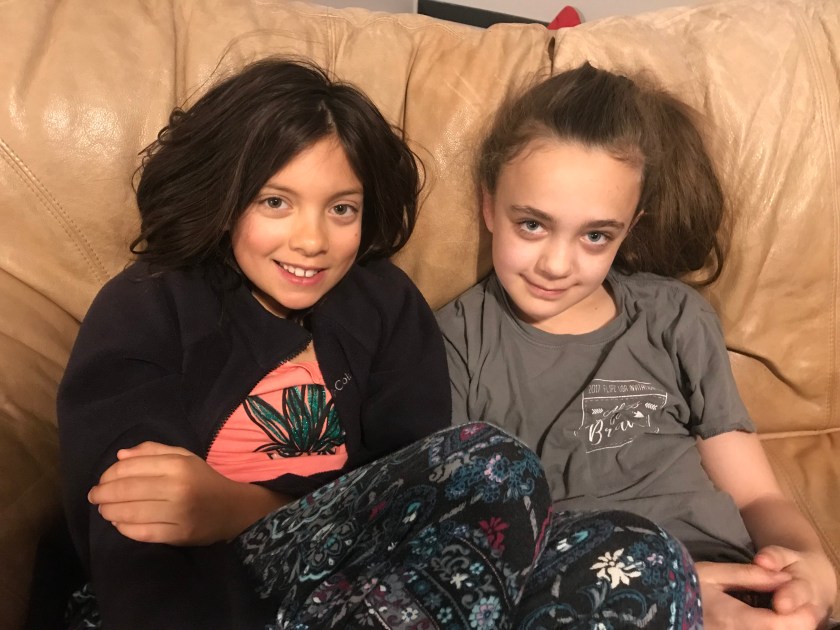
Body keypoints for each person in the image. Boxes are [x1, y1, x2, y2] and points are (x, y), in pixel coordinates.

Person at [58, 58, 700, 630]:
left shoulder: (385, 305)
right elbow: (129, 525)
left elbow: (413, 497)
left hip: (367, 584)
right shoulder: (150, 303)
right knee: (493, 464)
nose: (312, 240)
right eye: (276, 202)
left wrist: (235, 507)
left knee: (645, 555)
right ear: (225, 196)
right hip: (186, 595)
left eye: (341, 209)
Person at [436, 62, 837, 629]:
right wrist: (673, 589)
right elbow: (471, 539)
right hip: (585, 594)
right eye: (532, 225)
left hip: (738, 583)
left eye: (595, 235)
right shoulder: (456, 340)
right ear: (488, 205)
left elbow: (756, 497)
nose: (557, 264)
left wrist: (811, 567)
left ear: (629, 227)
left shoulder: (674, 317)